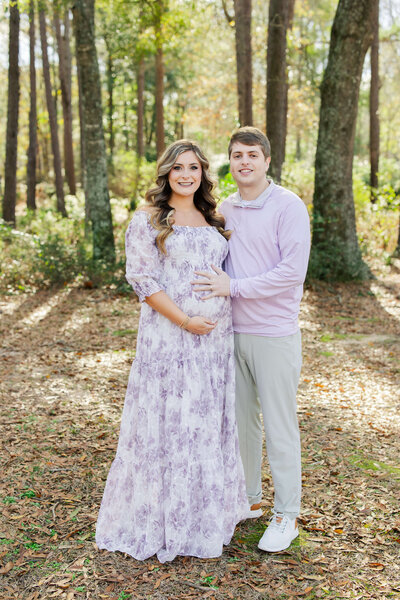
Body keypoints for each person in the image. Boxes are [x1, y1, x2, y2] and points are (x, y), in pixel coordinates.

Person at [95, 140, 249, 563]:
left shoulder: (213, 217)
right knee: (170, 423)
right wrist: (185, 320)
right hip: (171, 339)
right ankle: (163, 520)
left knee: (202, 421)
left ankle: (203, 515)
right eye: (178, 168)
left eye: (194, 168)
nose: (186, 175)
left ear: (203, 174)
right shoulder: (146, 220)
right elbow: (143, 282)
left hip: (214, 343)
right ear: (166, 173)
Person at [192, 127, 310, 553]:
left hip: (274, 334)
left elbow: (291, 274)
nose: (244, 162)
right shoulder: (226, 208)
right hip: (231, 333)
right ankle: (249, 500)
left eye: (252, 155)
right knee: (242, 424)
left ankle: (287, 515)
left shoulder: (289, 206)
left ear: (266, 161)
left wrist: (233, 288)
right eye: (237, 155)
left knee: (280, 428)